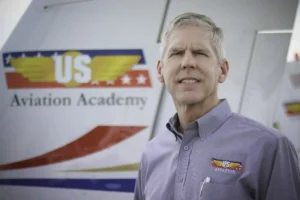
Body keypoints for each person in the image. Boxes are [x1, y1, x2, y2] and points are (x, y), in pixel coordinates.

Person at [133, 12, 300, 200]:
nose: (187, 62)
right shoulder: (152, 152)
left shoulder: (269, 147)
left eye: (200, 53)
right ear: (160, 70)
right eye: (176, 53)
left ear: (223, 70)